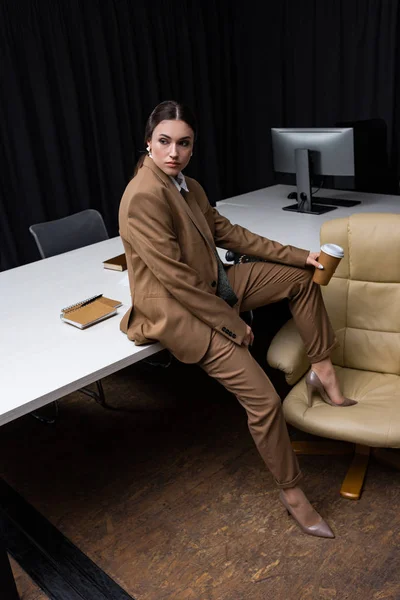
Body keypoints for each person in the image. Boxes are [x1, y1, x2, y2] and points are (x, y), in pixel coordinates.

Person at [119, 100, 357, 539]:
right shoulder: (142, 197)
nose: (174, 152)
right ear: (148, 142)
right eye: (164, 141)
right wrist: (232, 324)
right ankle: (293, 494)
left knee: (302, 280)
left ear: (192, 148)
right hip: (181, 308)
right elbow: (177, 283)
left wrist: (298, 255)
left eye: (183, 143)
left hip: (213, 285)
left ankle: (323, 373)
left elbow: (228, 233)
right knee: (265, 402)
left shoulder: (187, 184)